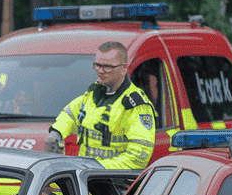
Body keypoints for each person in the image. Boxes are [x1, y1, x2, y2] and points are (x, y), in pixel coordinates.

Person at [45, 41, 155, 170]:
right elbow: (70, 114)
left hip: (116, 184)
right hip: (87, 178)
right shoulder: (96, 93)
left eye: (107, 67)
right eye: (97, 65)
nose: (100, 71)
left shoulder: (135, 105)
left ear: (123, 68)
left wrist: (97, 167)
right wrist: (56, 132)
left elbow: (138, 157)